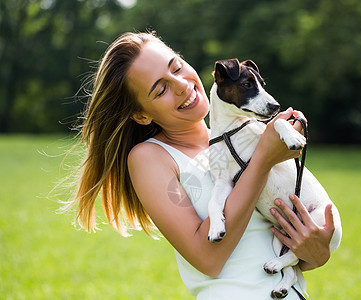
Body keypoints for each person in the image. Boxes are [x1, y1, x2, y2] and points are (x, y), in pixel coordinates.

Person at [64, 31, 338, 299]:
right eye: (161, 89)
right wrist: (263, 160)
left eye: (178, 67)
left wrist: (316, 254)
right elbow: (209, 259)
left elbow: (270, 245)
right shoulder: (151, 157)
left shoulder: (234, 139)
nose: (182, 85)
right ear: (141, 115)